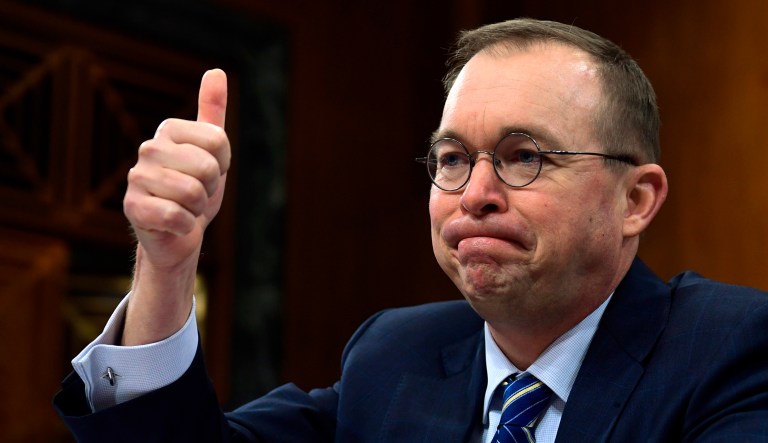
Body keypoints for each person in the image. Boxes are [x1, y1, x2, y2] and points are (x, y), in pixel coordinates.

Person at [55, 18, 768, 442]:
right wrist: (167, 262)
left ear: (636, 199)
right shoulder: (396, 356)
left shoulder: (730, 350)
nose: (476, 194)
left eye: (525, 156)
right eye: (453, 158)